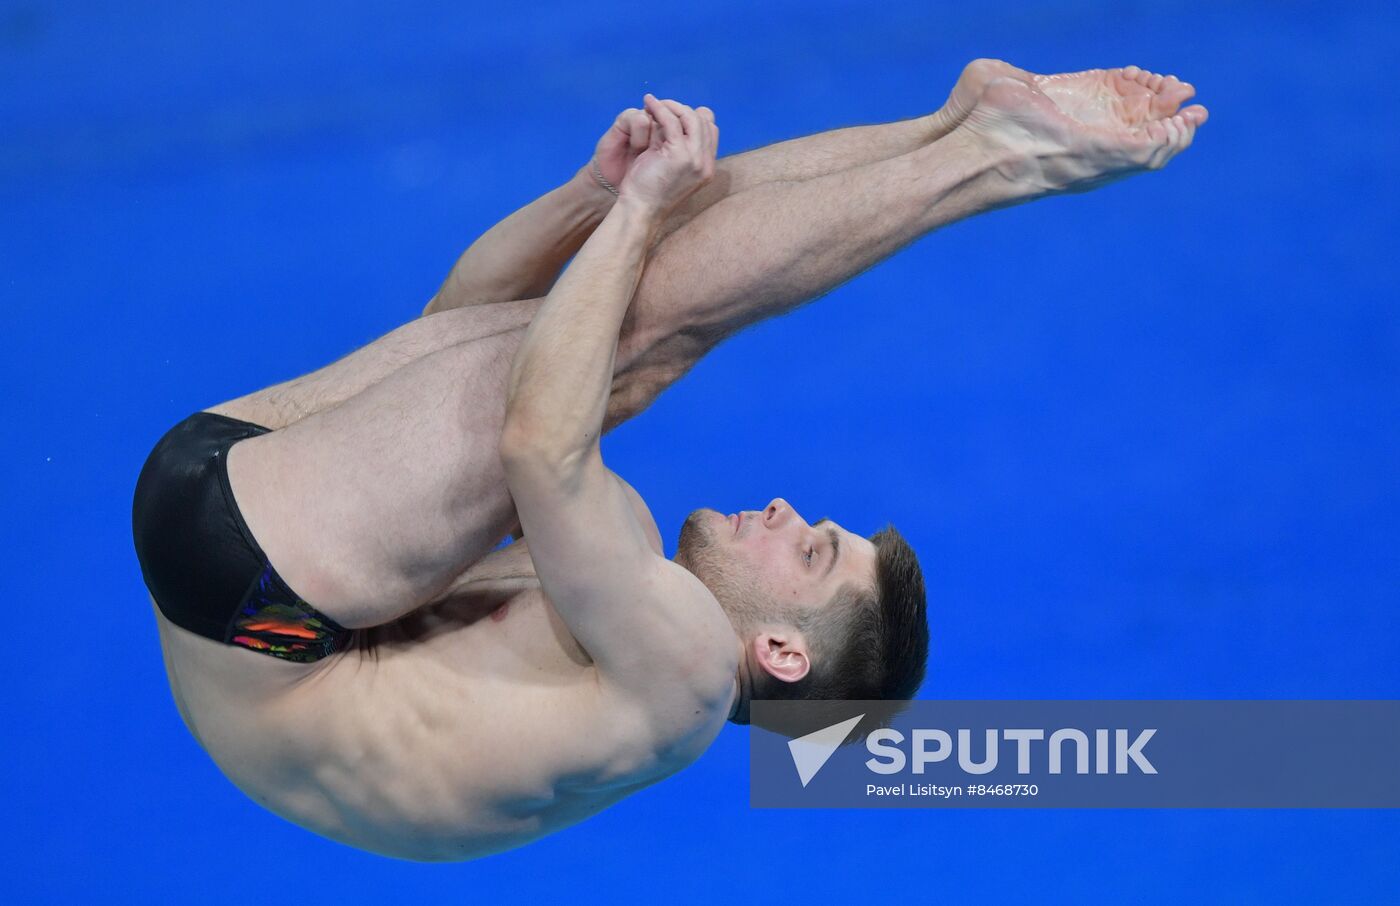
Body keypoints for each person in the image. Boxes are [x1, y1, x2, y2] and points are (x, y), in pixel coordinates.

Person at [132, 61, 1207, 861]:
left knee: (632, 341)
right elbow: (458, 320)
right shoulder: (611, 614)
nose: (789, 509)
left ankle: (996, 156)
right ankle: (952, 123)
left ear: (781, 655)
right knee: (600, 307)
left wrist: (637, 216)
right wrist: (594, 199)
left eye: (813, 548)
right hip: (236, 528)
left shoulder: (684, 683)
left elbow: (533, 442)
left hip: (258, 590)